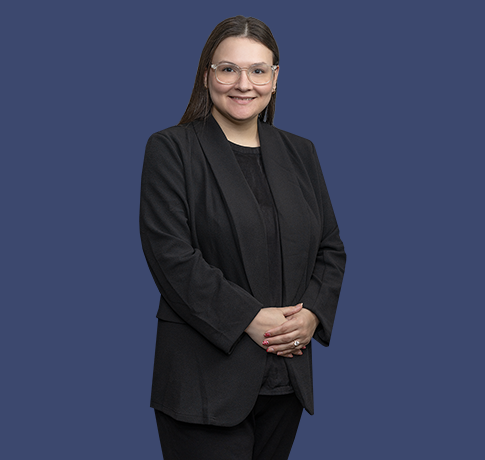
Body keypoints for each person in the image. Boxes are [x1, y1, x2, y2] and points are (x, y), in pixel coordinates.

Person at [139, 15, 346, 460]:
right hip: (203, 382)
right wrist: (250, 317)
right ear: (206, 74)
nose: (243, 84)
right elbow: (171, 256)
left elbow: (330, 249)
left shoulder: (301, 152)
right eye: (228, 69)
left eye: (257, 70)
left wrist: (312, 315)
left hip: (285, 379)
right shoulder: (171, 149)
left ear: (275, 78)